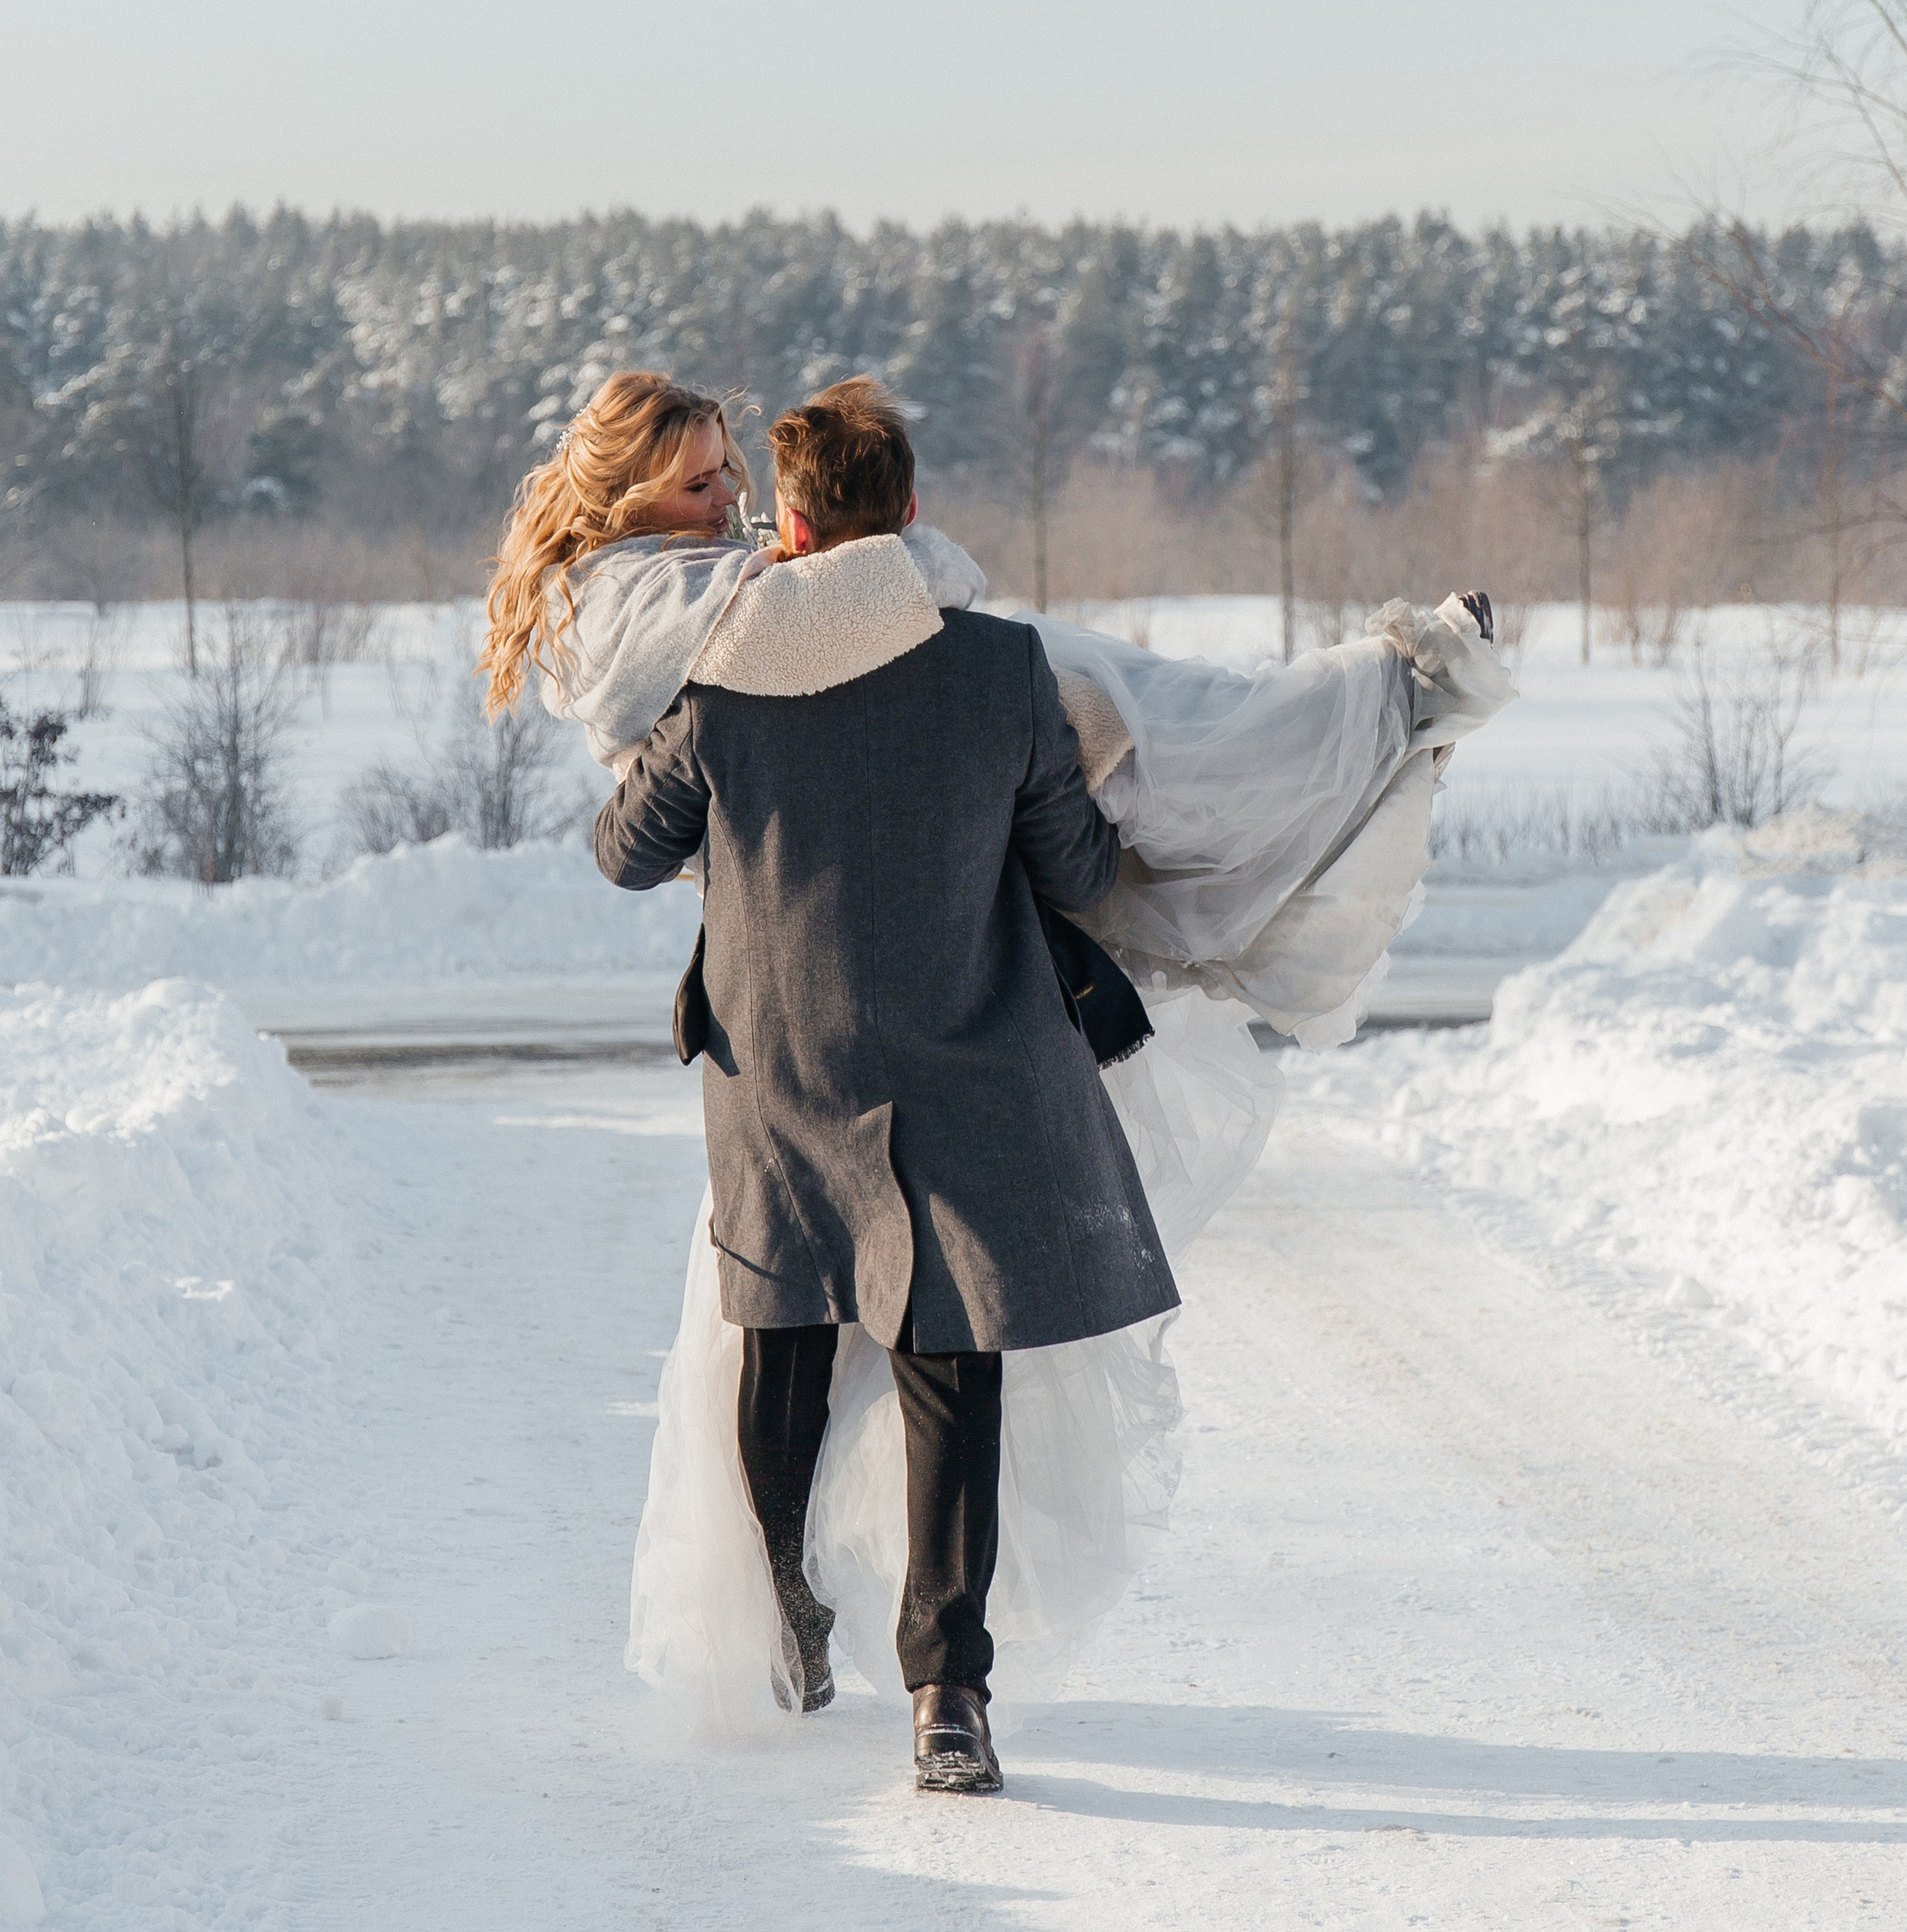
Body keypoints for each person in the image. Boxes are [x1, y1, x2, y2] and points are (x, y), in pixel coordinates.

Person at [485, 369, 1516, 1763]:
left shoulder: (715, 674)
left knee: (783, 1337)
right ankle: (945, 1694)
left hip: (779, 1063)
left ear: (791, 526)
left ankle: (786, 1592)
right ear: (908, 514)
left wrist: (717, 791)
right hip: (962, 1055)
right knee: (948, 1362)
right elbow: (1081, 865)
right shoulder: (998, 666)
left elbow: (625, 853)